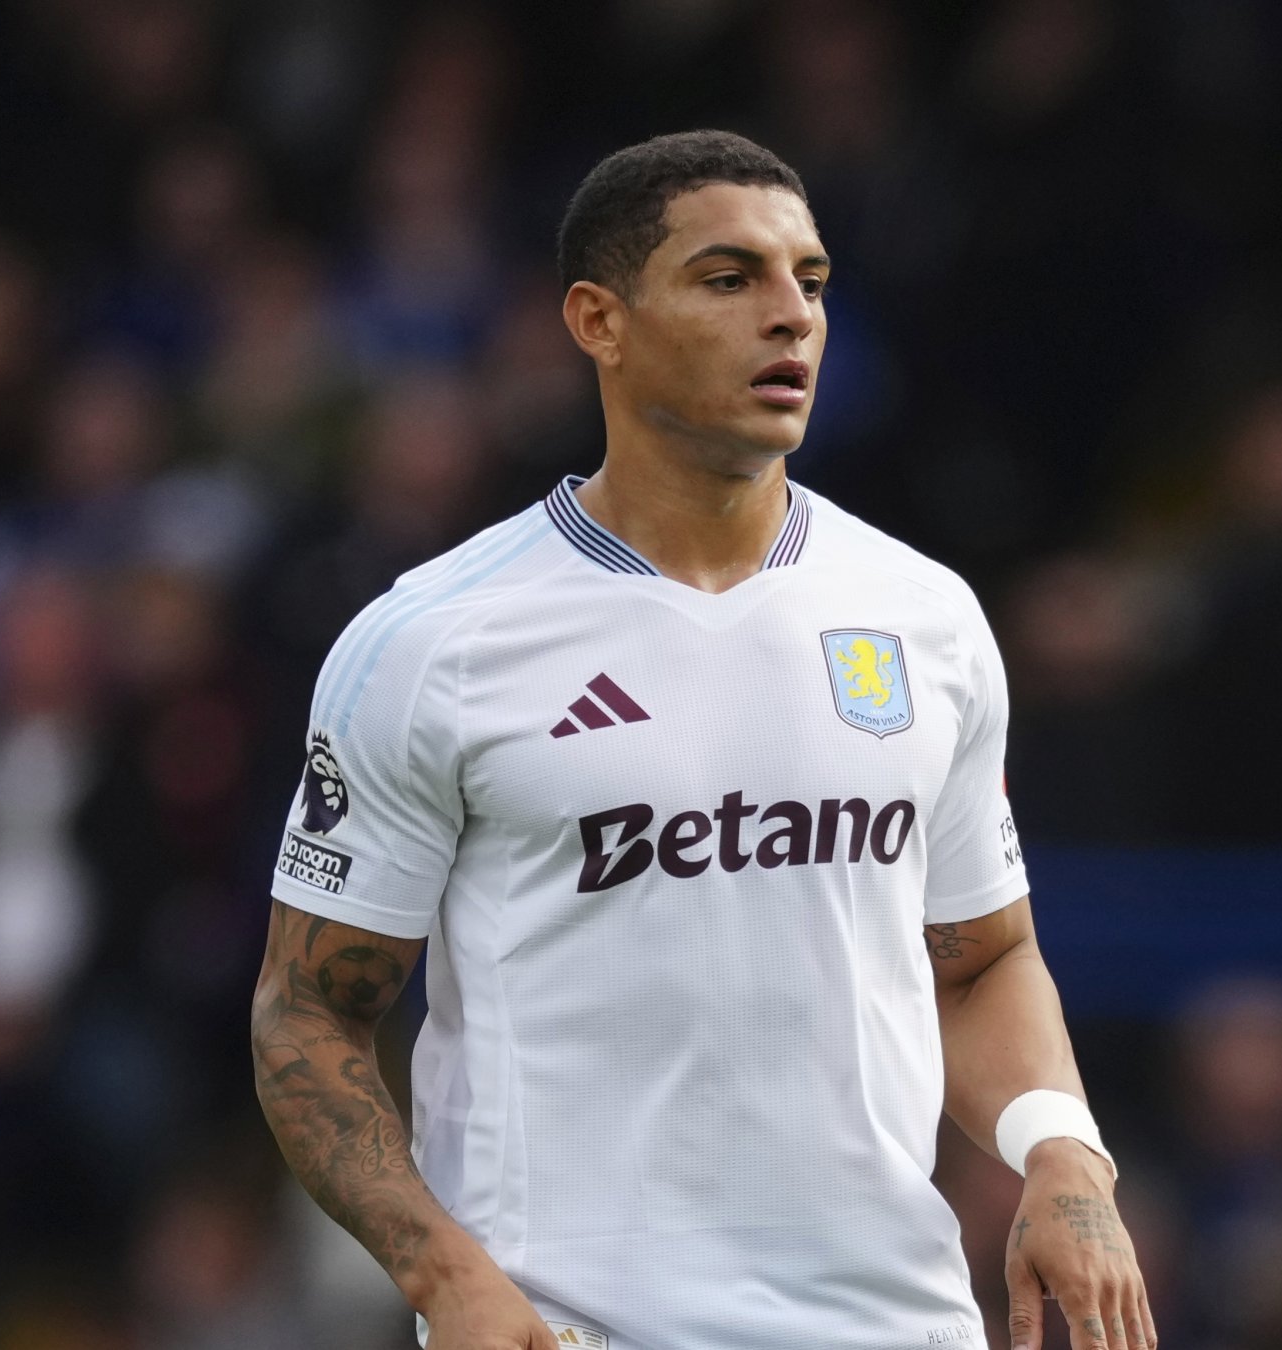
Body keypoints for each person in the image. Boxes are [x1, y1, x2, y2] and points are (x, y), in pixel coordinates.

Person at [250, 130, 1155, 1350]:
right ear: (598, 321)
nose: (791, 317)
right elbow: (306, 1014)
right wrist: (444, 1278)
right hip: (576, 1331)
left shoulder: (923, 617)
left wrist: (1061, 1154)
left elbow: (982, 957)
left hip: (897, 1324)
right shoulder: (433, 643)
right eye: (730, 279)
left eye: (812, 282)